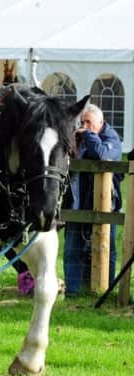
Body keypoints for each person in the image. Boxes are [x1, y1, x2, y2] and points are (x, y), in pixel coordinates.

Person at [63, 104, 123, 297]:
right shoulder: (78, 138)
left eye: (89, 122)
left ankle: (104, 292)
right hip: (77, 202)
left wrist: (87, 135)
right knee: (73, 250)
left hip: (105, 206)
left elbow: (102, 154)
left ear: (101, 121)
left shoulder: (111, 138)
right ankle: (73, 294)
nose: (84, 126)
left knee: (106, 250)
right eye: (82, 122)